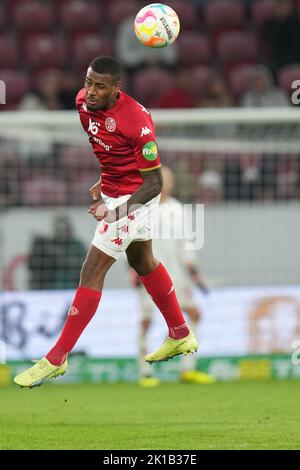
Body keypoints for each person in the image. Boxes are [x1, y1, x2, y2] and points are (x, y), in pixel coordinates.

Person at [14, 56, 198, 388]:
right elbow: (108, 152)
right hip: (116, 192)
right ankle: (180, 333)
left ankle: (56, 358)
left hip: (137, 196)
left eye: (100, 86)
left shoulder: (138, 124)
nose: (91, 91)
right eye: (88, 82)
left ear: (117, 88)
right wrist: (104, 183)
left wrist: (117, 211)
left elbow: (154, 183)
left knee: (92, 270)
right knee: (143, 261)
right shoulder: (82, 103)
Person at [132, 166, 215, 386]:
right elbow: (129, 241)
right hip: (148, 274)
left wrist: (194, 273)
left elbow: (186, 244)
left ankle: (187, 369)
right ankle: (144, 372)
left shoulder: (179, 209)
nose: (165, 182)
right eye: (161, 178)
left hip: (177, 275)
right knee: (146, 320)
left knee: (194, 314)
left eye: (168, 179)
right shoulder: (139, 208)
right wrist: (131, 269)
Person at [28, 215, 86, 290]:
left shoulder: (78, 245)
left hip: (73, 287)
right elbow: (35, 266)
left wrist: (59, 256)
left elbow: (84, 265)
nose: (61, 232)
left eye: (63, 228)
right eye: (58, 229)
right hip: (51, 289)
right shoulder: (49, 244)